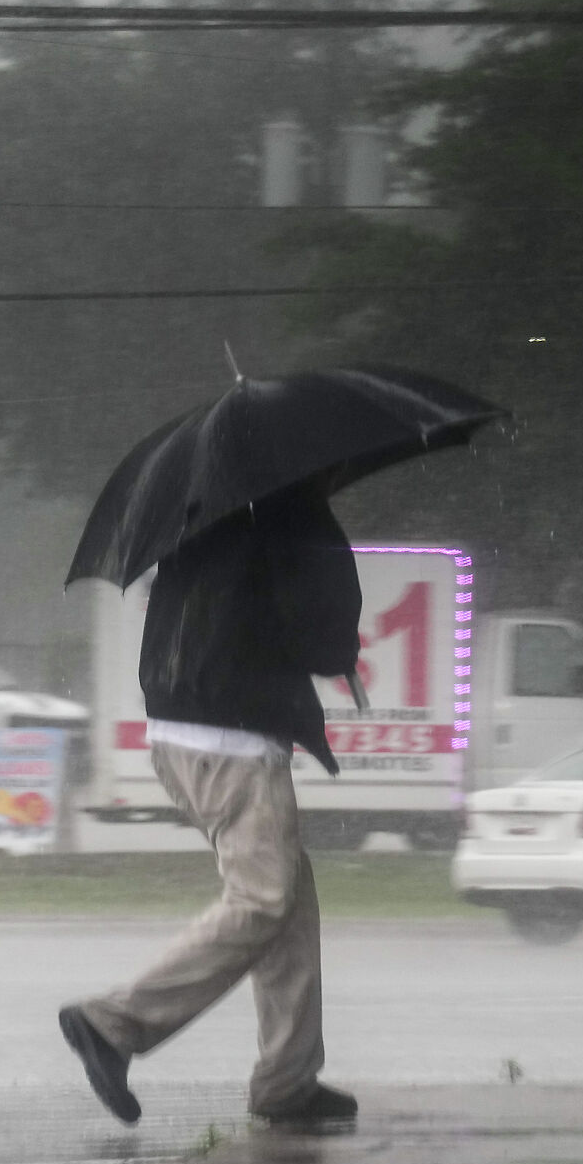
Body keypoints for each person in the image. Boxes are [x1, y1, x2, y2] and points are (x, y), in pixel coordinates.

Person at [59, 479, 362, 1125]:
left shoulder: (203, 511)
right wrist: (341, 632)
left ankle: (287, 1079)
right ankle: (114, 1022)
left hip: (176, 732)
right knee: (264, 899)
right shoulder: (295, 515)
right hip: (235, 744)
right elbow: (325, 642)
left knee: (288, 904)